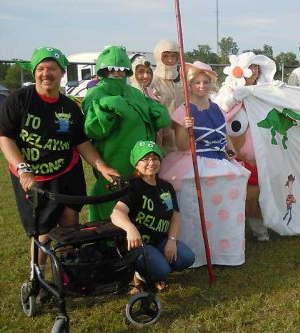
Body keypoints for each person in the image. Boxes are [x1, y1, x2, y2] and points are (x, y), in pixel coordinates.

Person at [0, 46, 119, 280]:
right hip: (33, 176)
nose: (46, 73)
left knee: (69, 221)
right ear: (34, 72)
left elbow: (81, 142)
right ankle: (38, 276)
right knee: (42, 231)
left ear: (62, 72)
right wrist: (24, 170)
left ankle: (68, 270)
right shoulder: (18, 100)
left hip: (66, 170)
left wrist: (102, 167)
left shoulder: (70, 107)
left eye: (52, 68)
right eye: (41, 68)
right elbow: (6, 138)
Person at [159, 61, 250, 267]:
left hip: (220, 161)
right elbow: (182, 146)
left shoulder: (217, 108)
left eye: (205, 82)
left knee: (225, 207)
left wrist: (230, 147)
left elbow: (223, 132)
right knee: (195, 211)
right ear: (189, 86)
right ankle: (196, 253)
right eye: (197, 82)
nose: (201, 86)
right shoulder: (185, 110)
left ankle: (224, 250)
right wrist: (185, 127)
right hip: (195, 161)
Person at [83, 45, 171, 222]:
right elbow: (94, 131)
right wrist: (105, 108)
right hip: (115, 160)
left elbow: (154, 117)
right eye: (112, 69)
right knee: (113, 204)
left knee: (141, 202)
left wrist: (157, 112)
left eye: (122, 70)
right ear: (103, 70)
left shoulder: (134, 93)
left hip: (142, 161)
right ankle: (110, 242)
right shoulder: (97, 94)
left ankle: (142, 237)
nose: (117, 73)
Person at [111, 140, 195, 294]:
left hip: (159, 241)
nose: (151, 162)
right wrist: (130, 228)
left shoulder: (166, 187)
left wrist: (172, 241)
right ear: (136, 164)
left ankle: (154, 269)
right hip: (139, 245)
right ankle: (138, 276)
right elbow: (116, 213)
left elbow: (175, 215)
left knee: (187, 258)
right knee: (162, 270)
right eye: (145, 159)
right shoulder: (133, 187)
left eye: (155, 158)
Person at [214, 52, 277, 241]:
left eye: (256, 67)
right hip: (237, 154)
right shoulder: (229, 89)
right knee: (236, 194)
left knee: (259, 192)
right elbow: (217, 109)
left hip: (262, 154)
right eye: (250, 67)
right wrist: (234, 98)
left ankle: (260, 227)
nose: (253, 71)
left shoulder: (265, 90)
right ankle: (233, 229)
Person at [151, 39, 184, 154]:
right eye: (165, 56)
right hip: (162, 136)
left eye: (173, 56)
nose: (170, 60)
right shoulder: (152, 81)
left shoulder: (182, 81)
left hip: (182, 135)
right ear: (159, 57)